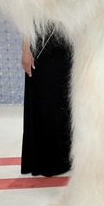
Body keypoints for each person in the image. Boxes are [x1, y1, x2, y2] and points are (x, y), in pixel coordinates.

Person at [20, 32, 73, 176]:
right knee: (45, 103)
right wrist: (26, 50)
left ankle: (67, 157)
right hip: (42, 47)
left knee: (67, 103)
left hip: (70, 46)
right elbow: (26, 21)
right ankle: (48, 161)